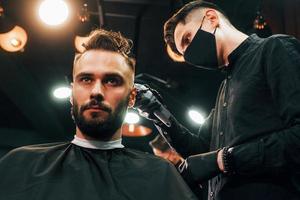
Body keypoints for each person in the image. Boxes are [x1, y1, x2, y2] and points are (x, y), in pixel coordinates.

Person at [0, 29, 198, 200]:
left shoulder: (161, 177)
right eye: (86, 79)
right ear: (72, 93)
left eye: (112, 81)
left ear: (132, 97)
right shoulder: (21, 166)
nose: (96, 91)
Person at [136, 1, 300, 200]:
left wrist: (227, 159)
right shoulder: (225, 87)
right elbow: (200, 151)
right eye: (183, 53)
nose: (188, 55)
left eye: (187, 39)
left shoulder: (274, 48)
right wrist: (155, 110)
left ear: (212, 19)